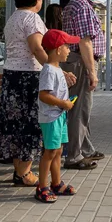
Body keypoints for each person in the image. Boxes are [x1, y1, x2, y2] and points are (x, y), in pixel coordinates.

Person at [0, 0, 50, 187]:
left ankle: (19, 170)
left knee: (14, 123)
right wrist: (52, 67)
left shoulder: (13, 19)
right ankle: (24, 174)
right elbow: (36, 48)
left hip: (11, 76)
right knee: (30, 123)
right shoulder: (32, 19)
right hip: (29, 77)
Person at [61, 0, 106, 170]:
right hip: (80, 61)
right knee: (80, 109)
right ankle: (73, 156)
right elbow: (85, 42)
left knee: (80, 108)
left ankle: (85, 149)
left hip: (75, 60)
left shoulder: (75, 4)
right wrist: (92, 71)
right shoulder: (82, 6)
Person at [35, 29, 79, 203]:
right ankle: (42, 187)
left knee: (58, 150)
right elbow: (43, 95)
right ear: (57, 49)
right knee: (50, 151)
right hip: (51, 117)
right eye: (67, 46)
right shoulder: (48, 70)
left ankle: (56, 183)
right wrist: (63, 104)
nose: (69, 50)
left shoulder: (58, 69)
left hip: (59, 116)